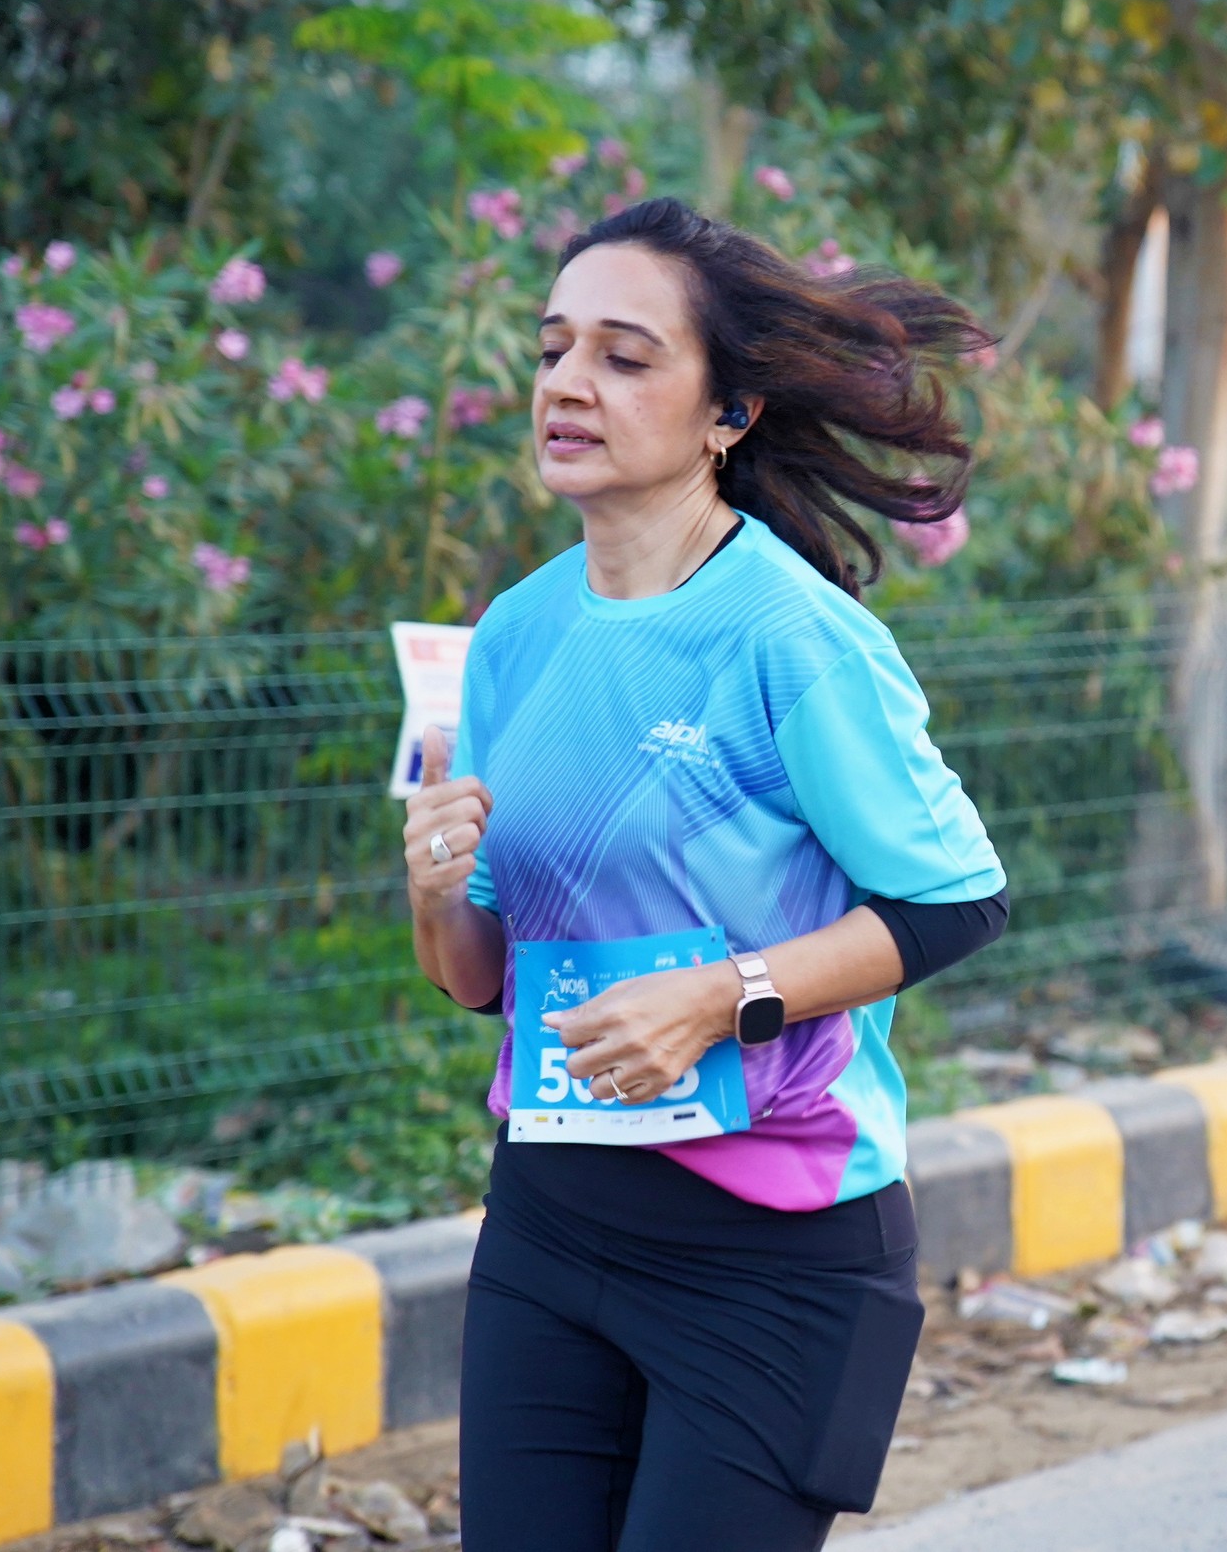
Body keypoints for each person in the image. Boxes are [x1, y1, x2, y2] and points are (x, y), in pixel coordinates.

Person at [399, 197, 1008, 1551]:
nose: (567, 383)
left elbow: (957, 898)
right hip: (550, 1226)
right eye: (553, 348)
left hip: (775, 1251)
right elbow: (476, 980)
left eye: (623, 356)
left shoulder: (792, 636)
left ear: (728, 412)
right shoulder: (515, 634)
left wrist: (721, 996)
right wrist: (437, 892)